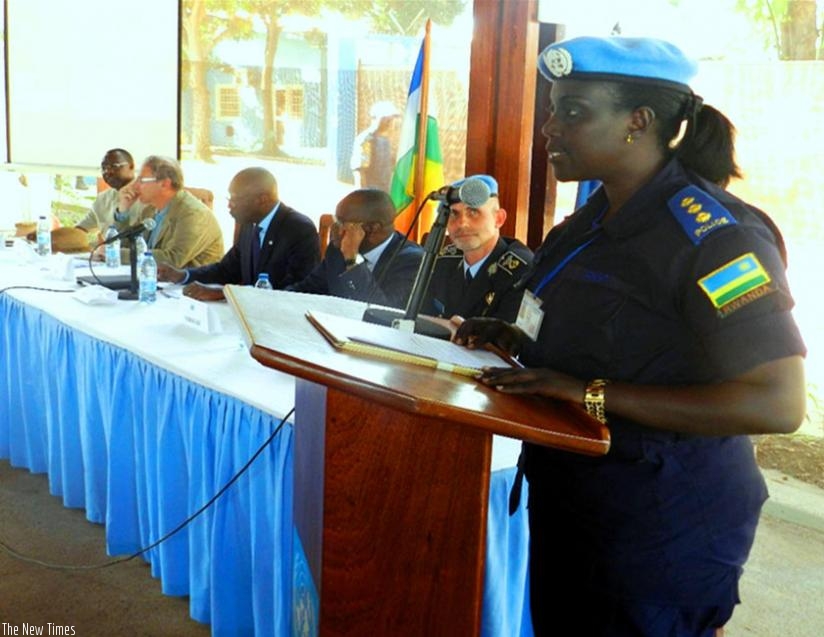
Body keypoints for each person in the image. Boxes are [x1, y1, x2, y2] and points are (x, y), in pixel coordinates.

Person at [454, 36, 806, 637]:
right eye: (551, 109)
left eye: (573, 112)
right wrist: (510, 336)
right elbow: (602, 333)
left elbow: (775, 402)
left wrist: (586, 393)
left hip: (661, 526)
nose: (549, 128)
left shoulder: (716, 240)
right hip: (575, 503)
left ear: (637, 122)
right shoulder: (587, 223)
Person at [157, 167, 319, 301]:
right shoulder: (250, 223)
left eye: (235, 199)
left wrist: (228, 294)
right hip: (246, 314)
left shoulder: (298, 229)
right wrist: (183, 275)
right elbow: (227, 270)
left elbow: (296, 291)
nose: (230, 205)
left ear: (262, 199)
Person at [421, 174, 532, 322]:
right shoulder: (444, 261)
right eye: (454, 214)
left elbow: (512, 340)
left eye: (473, 212)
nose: (462, 224)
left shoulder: (519, 271)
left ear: (498, 219)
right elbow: (420, 317)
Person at [288, 188, 423, 309]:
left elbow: (381, 312)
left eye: (341, 222)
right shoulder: (338, 248)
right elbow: (307, 290)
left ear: (372, 228)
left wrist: (352, 259)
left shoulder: (412, 261)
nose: (334, 228)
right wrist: (270, 298)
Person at [27, 148, 148, 253]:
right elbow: (80, 231)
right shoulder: (103, 198)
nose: (108, 172)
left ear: (131, 166)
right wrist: (47, 237)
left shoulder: (147, 196)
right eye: (104, 168)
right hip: (106, 259)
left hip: (134, 260)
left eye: (113, 167)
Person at [123, 155, 224, 268]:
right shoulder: (150, 210)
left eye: (141, 180)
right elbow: (125, 243)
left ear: (165, 184)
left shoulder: (192, 213)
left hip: (191, 283)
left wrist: (116, 253)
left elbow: (172, 260)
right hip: (155, 279)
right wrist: (123, 210)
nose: (134, 186)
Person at [350, 101, 400, 190]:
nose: (389, 122)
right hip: (370, 194)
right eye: (385, 118)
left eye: (391, 119)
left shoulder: (386, 140)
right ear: (375, 118)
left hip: (384, 193)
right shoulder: (366, 139)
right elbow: (360, 171)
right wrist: (362, 196)